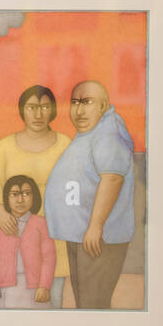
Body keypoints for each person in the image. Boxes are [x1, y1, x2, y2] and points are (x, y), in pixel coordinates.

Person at [43, 80, 136, 309]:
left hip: (97, 239)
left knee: (92, 305)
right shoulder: (95, 130)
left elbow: (112, 177)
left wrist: (96, 226)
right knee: (84, 302)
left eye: (87, 102)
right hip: (83, 235)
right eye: (75, 103)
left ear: (103, 106)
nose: (79, 110)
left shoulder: (109, 134)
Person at [0, 85, 72, 308]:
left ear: (53, 110)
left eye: (44, 107)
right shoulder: (4, 146)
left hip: (54, 234)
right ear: (23, 110)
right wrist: (0, 211)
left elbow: (74, 188)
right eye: (32, 107)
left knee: (52, 300)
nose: (38, 114)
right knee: (9, 299)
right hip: (12, 231)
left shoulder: (65, 144)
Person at [0, 175, 55, 308]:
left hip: (36, 289)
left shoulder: (42, 224)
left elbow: (49, 258)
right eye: (14, 194)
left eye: (27, 193)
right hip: (7, 289)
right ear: (6, 197)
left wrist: (44, 286)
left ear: (34, 197)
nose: (20, 199)